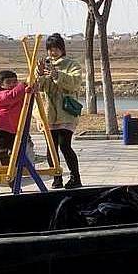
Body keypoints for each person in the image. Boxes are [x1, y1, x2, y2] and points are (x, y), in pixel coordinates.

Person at [36, 33, 83, 188]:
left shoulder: (72, 65)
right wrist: (39, 74)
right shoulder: (44, 64)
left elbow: (75, 83)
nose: (53, 52)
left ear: (62, 49)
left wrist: (57, 75)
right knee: (51, 147)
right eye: (50, 49)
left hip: (65, 113)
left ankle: (75, 177)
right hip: (47, 113)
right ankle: (57, 178)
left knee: (65, 145)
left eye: (56, 48)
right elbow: (37, 87)